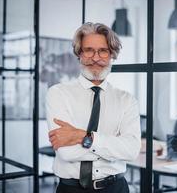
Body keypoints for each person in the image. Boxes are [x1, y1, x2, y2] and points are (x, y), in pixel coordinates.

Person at [46, 22, 141, 193]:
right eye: (89, 50)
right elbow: (67, 153)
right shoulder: (58, 93)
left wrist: (81, 136)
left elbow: (131, 151)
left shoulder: (127, 100)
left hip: (116, 188)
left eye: (103, 51)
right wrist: (112, 147)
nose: (96, 58)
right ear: (79, 54)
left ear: (112, 54)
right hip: (72, 189)